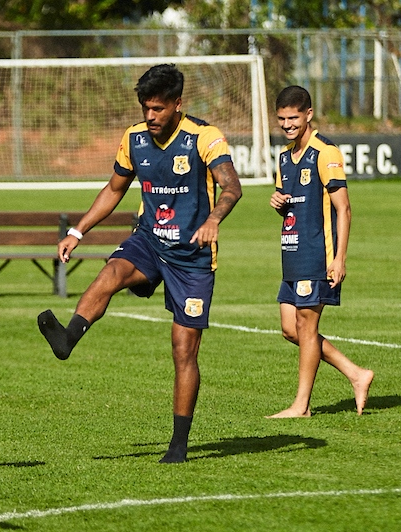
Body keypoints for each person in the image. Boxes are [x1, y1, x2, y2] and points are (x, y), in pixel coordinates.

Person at [36, 63, 242, 463]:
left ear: (177, 105)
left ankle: (178, 446)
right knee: (111, 271)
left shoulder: (204, 138)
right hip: (150, 241)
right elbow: (114, 189)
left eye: (158, 109)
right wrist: (77, 233)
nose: (150, 116)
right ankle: (67, 340)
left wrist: (213, 219)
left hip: (192, 258)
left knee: (183, 350)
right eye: (146, 108)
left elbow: (231, 185)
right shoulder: (133, 139)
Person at [268, 85, 373, 418]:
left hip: (319, 254)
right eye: (282, 119)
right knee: (291, 329)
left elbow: (344, 207)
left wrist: (339, 258)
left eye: (294, 118)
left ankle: (301, 405)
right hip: (292, 252)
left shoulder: (325, 152)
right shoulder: (284, 157)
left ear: (308, 115)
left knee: (306, 327)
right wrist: (278, 202)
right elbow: (290, 200)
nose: (287, 125)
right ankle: (356, 374)